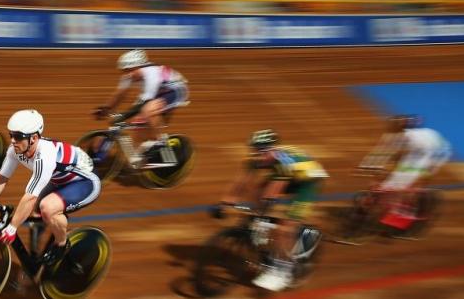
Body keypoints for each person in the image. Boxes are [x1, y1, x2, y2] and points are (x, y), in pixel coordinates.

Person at [0, 109, 100, 265]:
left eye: (18, 137)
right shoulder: (15, 150)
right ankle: (39, 245)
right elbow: (1, 177)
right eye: (11, 135)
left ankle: (62, 245)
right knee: (36, 211)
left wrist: (12, 228)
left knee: (47, 208)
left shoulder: (45, 156)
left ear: (34, 138)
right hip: (59, 180)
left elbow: (31, 196)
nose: (12, 141)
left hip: (85, 182)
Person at [213, 129, 328, 292]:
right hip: (291, 176)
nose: (258, 156)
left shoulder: (282, 162)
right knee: (259, 194)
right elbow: (241, 182)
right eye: (255, 151)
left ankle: (282, 270)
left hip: (308, 181)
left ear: (273, 150)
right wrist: (225, 202)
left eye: (262, 152)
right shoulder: (255, 160)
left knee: (284, 226)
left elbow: (273, 193)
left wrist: (261, 214)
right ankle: (267, 238)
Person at [92, 49, 188, 168]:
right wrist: (105, 108)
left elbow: (146, 102)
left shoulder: (151, 72)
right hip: (158, 93)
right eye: (124, 71)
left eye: (129, 70)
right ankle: (146, 152)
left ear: (138, 66)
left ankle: (161, 145)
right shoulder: (129, 75)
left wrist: (123, 115)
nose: (127, 74)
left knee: (148, 109)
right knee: (138, 124)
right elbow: (119, 94)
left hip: (175, 90)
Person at [360, 115, 451, 225]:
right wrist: (375, 170)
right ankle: (399, 206)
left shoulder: (410, 138)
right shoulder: (402, 135)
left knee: (403, 183)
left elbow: (397, 156)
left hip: (435, 154)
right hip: (420, 153)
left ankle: (411, 212)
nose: (390, 130)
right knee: (395, 181)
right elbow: (384, 153)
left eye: (392, 128)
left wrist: (423, 177)